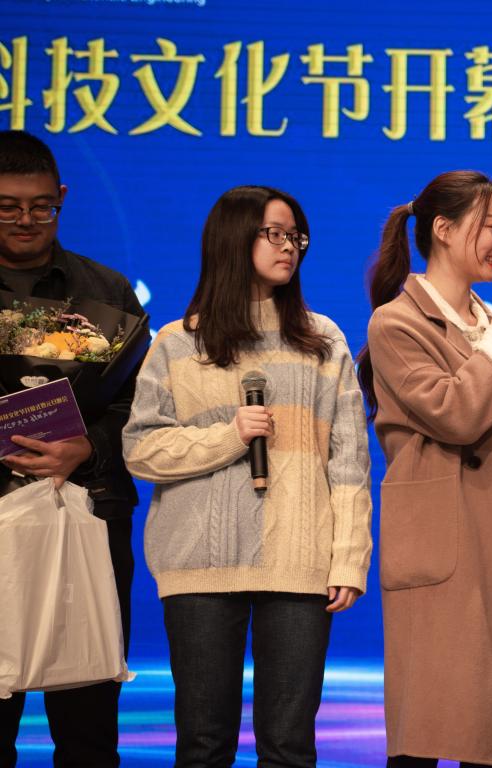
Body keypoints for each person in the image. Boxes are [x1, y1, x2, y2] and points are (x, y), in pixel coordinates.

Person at [121, 185, 372, 767]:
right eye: (274, 234)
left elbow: (349, 462)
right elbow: (140, 448)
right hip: (199, 563)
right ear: (233, 239)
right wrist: (228, 436)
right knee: (204, 743)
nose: (289, 247)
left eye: (296, 236)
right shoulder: (178, 343)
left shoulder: (322, 340)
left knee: (289, 745)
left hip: (299, 557)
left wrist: (348, 557)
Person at [359, 170, 492, 767]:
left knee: (486, 727)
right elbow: (454, 414)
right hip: (442, 541)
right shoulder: (396, 322)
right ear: (443, 230)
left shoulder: (485, 318)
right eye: (490, 228)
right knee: (427, 725)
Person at [0, 130, 146, 768]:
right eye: (7, 207)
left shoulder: (105, 292)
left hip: (85, 510)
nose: (26, 220)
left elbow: (142, 408)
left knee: (88, 728)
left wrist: (85, 447)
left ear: (61, 196)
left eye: (41, 206)